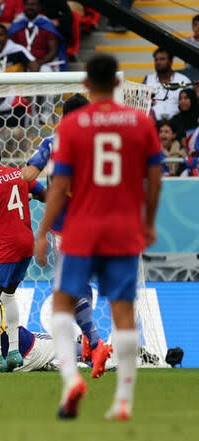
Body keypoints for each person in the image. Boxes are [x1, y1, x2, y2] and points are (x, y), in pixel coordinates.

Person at [35, 54, 163, 421]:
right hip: (123, 228)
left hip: (82, 228)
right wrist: (148, 222)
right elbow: (154, 179)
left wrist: (43, 232)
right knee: (122, 312)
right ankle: (122, 401)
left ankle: (72, 380)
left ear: (87, 84)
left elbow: (59, 184)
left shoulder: (73, 127)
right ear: (118, 84)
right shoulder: (140, 123)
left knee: (62, 305)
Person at [21, 94, 113, 376]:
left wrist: (37, 187)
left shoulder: (53, 142)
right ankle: (89, 344)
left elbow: (27, 175)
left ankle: (97, 344)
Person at [0, 139, 45, 373]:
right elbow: (44, 194)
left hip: (5, 245)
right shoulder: (20, 174)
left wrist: (1, 222)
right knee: (9, 295)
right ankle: (14, 352)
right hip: (27, 241)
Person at [8, 0, 64, 72]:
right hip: (21, 63)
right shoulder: (17, 25)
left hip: (42, 63)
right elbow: (10, 48)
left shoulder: (47, 25)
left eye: (33, 4)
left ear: (40, 7)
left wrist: (38, 63)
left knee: (45, 71)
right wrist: (26, 63)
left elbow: (53, 51)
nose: (29, 7)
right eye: (27, 5)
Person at [144, 48, 191, 121]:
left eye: (162, 59)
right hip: (154, 123)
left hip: (178, 124)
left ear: (170, 61)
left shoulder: (183, 80)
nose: (158, 62)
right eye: (156, 60)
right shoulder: (148, 80)